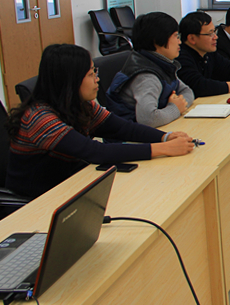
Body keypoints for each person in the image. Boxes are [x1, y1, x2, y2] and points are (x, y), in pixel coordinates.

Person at [5, 44, 194, 199]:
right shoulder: (40, 118)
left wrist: (165, 137)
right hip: (38, 199)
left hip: (73, 184)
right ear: (70, 81)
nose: (97, 79)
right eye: (90, 74)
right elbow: (95, 152)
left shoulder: (81, 105)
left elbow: (122, 128)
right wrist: (163, 149)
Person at [105, 12, 194, 127]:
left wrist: (179, 103)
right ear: (158, 39)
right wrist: (175, 108)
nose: (179, 42)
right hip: (131, 135)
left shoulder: (162, 64)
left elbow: (187, 91)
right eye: (176, 36)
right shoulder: (146, 76)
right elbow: (148, 119)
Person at [177, 11, 230, 98]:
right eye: (210, 34)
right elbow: (199, 86)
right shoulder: (181, 57)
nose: (215, 37)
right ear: (192, 38)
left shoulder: (208, 53)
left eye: (214, 32)